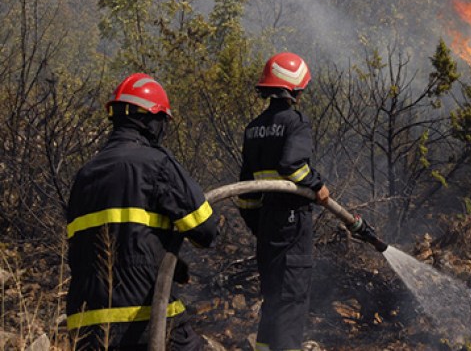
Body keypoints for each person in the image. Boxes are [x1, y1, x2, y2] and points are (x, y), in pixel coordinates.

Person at [66, 73, 219, 350]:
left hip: (85, 324)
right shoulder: (155, 163)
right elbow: (206, 230)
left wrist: (167, 260)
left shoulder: (84, 175)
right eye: (163, 121)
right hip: (143, 316)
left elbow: (108, 240)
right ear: (151, 120)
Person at [236, 52, 330, 351]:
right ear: (295, 88)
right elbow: (294, 165)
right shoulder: (295, 122)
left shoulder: (253, 128)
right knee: (292, 302)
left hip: (267, 228)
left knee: (274, 301)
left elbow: (246, 191)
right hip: (291, 224)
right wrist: (317, 184)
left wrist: (261, 226)